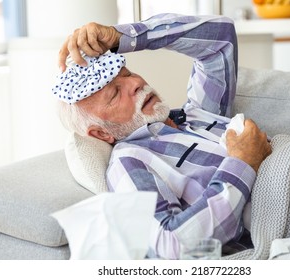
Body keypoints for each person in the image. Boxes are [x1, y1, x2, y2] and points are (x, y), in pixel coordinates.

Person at [53, 13, 272, 259]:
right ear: (101, 132)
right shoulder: (131, 160)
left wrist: (120, 37)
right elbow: (169, 246)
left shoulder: (198, 112)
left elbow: (220, 38)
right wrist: (243, 163)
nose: (135, 83)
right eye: (115, 94)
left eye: (126, 74)